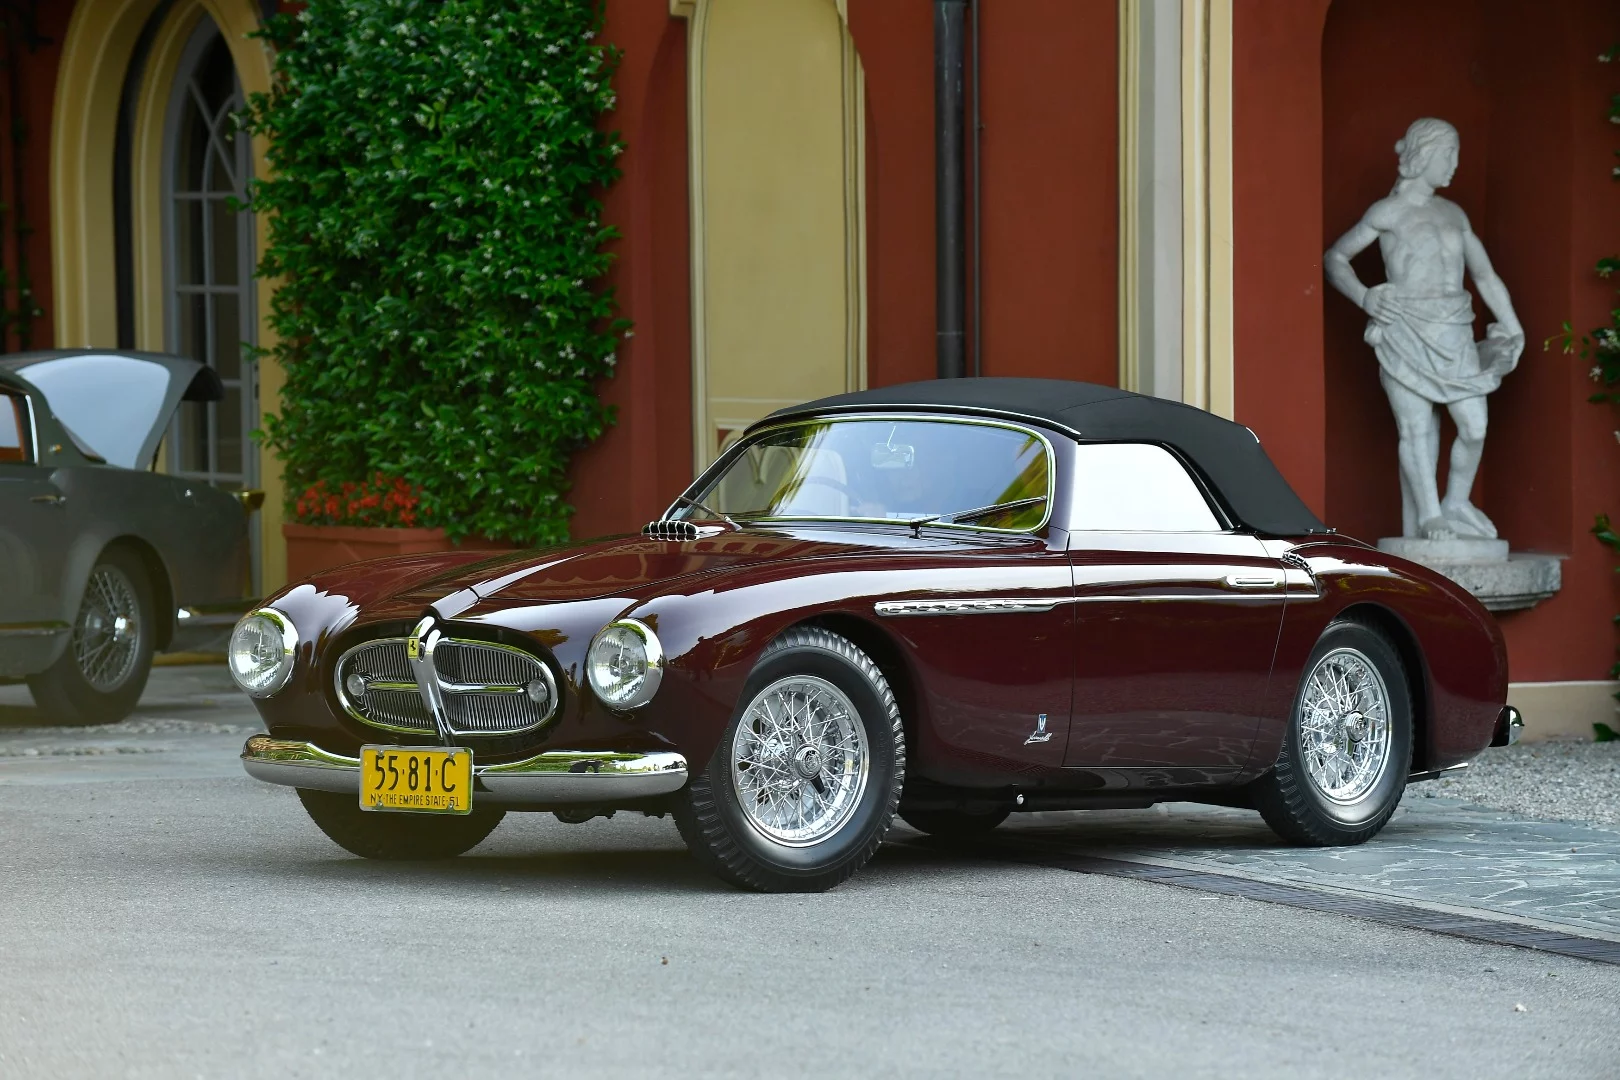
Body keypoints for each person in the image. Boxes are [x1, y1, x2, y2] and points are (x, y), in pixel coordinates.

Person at [1324, 117, 1524, 540]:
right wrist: (1365, 297)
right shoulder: (1388, 212)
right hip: (1404, 330)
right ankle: (1430, 516)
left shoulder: (1454, 214)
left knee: (1474, 426)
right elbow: (1336, 258)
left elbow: (1484, 276)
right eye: (1448, 153)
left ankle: (1456, 502)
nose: (1454, 164)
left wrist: (1511, 325)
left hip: (1454, 330)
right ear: (1425, 154)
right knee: (1416, 428)